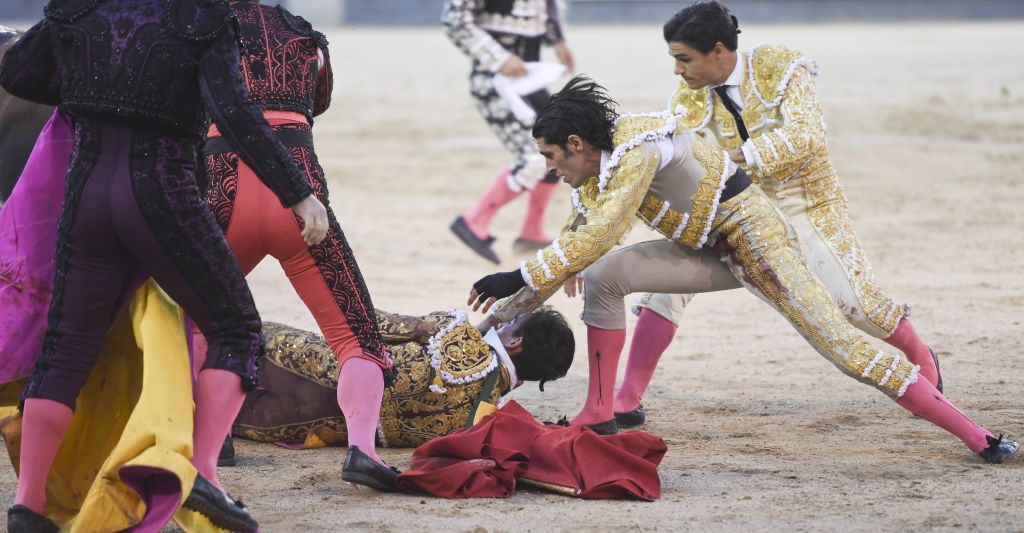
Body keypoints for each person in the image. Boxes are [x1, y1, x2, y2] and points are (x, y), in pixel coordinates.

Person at [468, 76, 1019, 464]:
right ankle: (599, 412)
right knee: (607, 277)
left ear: (575, 144)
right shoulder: (594, 169)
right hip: (706, 247)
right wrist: (479, 326)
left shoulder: (635, 150)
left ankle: (979, 437)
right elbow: (577, 244)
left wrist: (518, 276)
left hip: (758, 241)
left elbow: (603, 232)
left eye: (550, 156)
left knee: (843, 348)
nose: (548, 168)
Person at [0, 0, 330, 530]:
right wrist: (298, 192)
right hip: (162, 190)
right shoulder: (199, 14)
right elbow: (234, 114)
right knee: (236, 327)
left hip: (86, 193)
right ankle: (199, 472)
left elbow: (18, 72)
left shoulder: (78, 10)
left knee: (66, 347)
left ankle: (28, 506)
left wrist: (88, 88)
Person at [613, 1, 944, 428]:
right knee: (666, 286)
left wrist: (731, 157)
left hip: (804, 200)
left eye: (683, 58)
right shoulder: (688, 99)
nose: (677, 70)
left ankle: (918, 352)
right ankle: (627, 396)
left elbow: (807, 134)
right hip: (737, 205)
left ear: (717, 50)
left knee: (851, 305)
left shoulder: (778, 66)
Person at [196, 0, 395, 493]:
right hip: (301, 195)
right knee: (357, 339)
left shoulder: (192, 28)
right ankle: (362, 451)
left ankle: (210, 437)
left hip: (223, 187)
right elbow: (317, 103)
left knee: (192, 316)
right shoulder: (304, 33)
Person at [230, 305, 575, 490]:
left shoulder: (455, 333)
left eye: (513, 323)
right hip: (286, 425)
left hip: (291, 359)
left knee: (222, 333)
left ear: (515, 342)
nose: (504, 324)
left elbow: (370, 320)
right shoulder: (488, 419)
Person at [443, 0, 575, 263]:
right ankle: (473, 220)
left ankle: (532, 230)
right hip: (495, 82)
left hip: (528, 78)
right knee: (536, 157)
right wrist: (499, 58)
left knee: (561, 144)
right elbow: (454, 19)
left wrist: (557, 40)